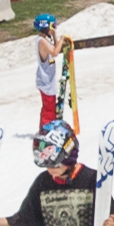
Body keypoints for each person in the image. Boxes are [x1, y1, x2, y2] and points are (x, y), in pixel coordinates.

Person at [31, 8, 68, 143]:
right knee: (48, 109)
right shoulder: (41, 41)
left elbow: (54, 47)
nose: (54, 29)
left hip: (48, 81)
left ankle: (47, 129)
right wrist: (62, 39)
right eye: (53, 26)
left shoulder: (45, 40)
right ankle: (45, 131)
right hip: (45, 81)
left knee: (50, 107)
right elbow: (55, 52)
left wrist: (55, 36)